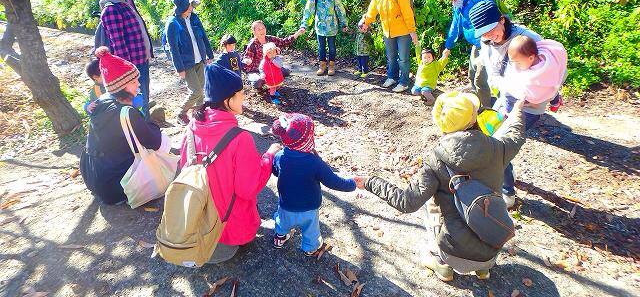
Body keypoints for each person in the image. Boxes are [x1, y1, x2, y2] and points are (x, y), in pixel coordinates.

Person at [356, 92, 526, 282]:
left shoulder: (435, 160)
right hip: (492, 248)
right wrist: (518, 111)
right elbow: (516, 135)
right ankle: (483, 271)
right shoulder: (498, 147)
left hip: (453, 253)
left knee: (429, 202)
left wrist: (370, 182)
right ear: (473, 118)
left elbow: (406, 202)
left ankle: (442, 264)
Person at [178, 64, 282, 264]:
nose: (244, 98)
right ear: (228, 100)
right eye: (241, 94)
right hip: (229, 227)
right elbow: (248, 189)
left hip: (197, 214)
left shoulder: (191, 129)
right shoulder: (240, 138)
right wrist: (269, 156)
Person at [469, 0, 545, 207]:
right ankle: (503, 177)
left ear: (502, 20)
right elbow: (493, 75)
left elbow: (555, 68)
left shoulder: (527, 38)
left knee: (499, 145)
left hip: (529, 105)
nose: (489, 35)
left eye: (492, 29)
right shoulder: (486, 42)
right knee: (489, 134)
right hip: (506, 99)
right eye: (484, 33)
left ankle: (507, 194)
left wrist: (549, 92)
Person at [80, 47, 167, 205]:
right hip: (116, 186)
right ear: (121, 87)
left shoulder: (100, 101)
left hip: (93, 176)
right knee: (162, 143)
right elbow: (155, 141)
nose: (138, 84)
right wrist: (153, 124)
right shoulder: (127, 112)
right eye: (133, 82)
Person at [270, 113, 356, 255]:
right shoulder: (315, 162)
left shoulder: (279, 156)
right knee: (311, 229)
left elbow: (275, 171)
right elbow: (333, 182)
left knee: (282, 222)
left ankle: (279, 238)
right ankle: (310, 248)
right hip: (309, 207)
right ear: (308, 140)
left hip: (286, 204)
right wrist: (352, 184)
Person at [100, 0, 154, 119]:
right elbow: (119, 44)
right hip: (132, 66)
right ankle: (141, 128)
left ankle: (146, 126)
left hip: (141, 60)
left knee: (144, 98)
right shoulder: (111, 10)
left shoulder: (127, 1)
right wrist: (128, 73)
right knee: (137, 101)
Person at [440, 0, 495, 109]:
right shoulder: (458, 1)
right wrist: (448, 45)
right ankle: (478, 103)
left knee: (480, 80)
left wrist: (492, 41)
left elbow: (494, 18)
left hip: (489, 42)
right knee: (472, 75)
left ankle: (486, 110)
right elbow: (455, 24)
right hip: (476, 43)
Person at [358, 0, 417, 93]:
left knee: (403, 59)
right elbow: (371, 12)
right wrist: (365, 23)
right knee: (391, 57)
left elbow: (408, 13)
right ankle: (392, 77)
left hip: (403, 31)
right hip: (387, 32)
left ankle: (404, 82)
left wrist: (412, 31)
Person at [164, 0, 214, 126]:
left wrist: (209, 54)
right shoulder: (173, 23)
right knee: (196, 91)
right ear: (183, 6)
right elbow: (173, 48)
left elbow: (203, 36)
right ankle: (181, 113)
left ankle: (200, 113)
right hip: (186, 63)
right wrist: (179, 68)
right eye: (190, 5)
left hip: (199, 59)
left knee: (201, 89)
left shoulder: (194, 18)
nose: (192, 7)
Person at [298, 0, 348, 76]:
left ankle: (331, 65)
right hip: (320, 27)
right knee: (321, 47)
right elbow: (308, 11)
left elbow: (340, 9)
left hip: (332, 26)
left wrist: (343, 23)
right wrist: (304, 25)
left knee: (332, 47)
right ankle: (322, 65)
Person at [502, 36, 566, 114]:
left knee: (548, 93)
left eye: (518, 63)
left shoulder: (540, 73)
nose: (515, 66)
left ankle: (555, 102)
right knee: (551, 91)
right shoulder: (538, 56)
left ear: (531, 58)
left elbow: (537, 94)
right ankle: (555, 101)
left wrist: (534, 102)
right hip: (552, 86)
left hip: (548, 88)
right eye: (513, 62)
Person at [243, 20, 303, 89]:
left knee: (286, 71)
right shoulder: (252, 44)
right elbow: (247, 57)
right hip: (257, 70)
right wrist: (247, 60)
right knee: (257, 82)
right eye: (259, 29)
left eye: (263, 28)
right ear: (254, 32)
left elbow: (283, 42)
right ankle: (263, 81)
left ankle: (271, 79)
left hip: (270, 67)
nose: (262, 31)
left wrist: (297, 33)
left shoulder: (270, 39)